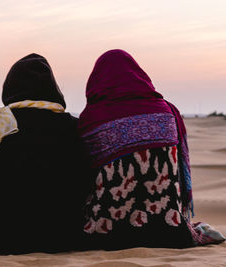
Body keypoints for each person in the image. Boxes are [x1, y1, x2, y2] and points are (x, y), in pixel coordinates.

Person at [78, 49, 225, 249]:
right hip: (169, 228)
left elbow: (81, 175)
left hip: (107, 231)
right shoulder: (167, 112)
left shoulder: (91, 119)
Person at [0, 53, 90, 254]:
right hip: (64, 238)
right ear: (52, 87)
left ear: (10, 87)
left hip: (3, 238)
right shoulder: (74, 127)